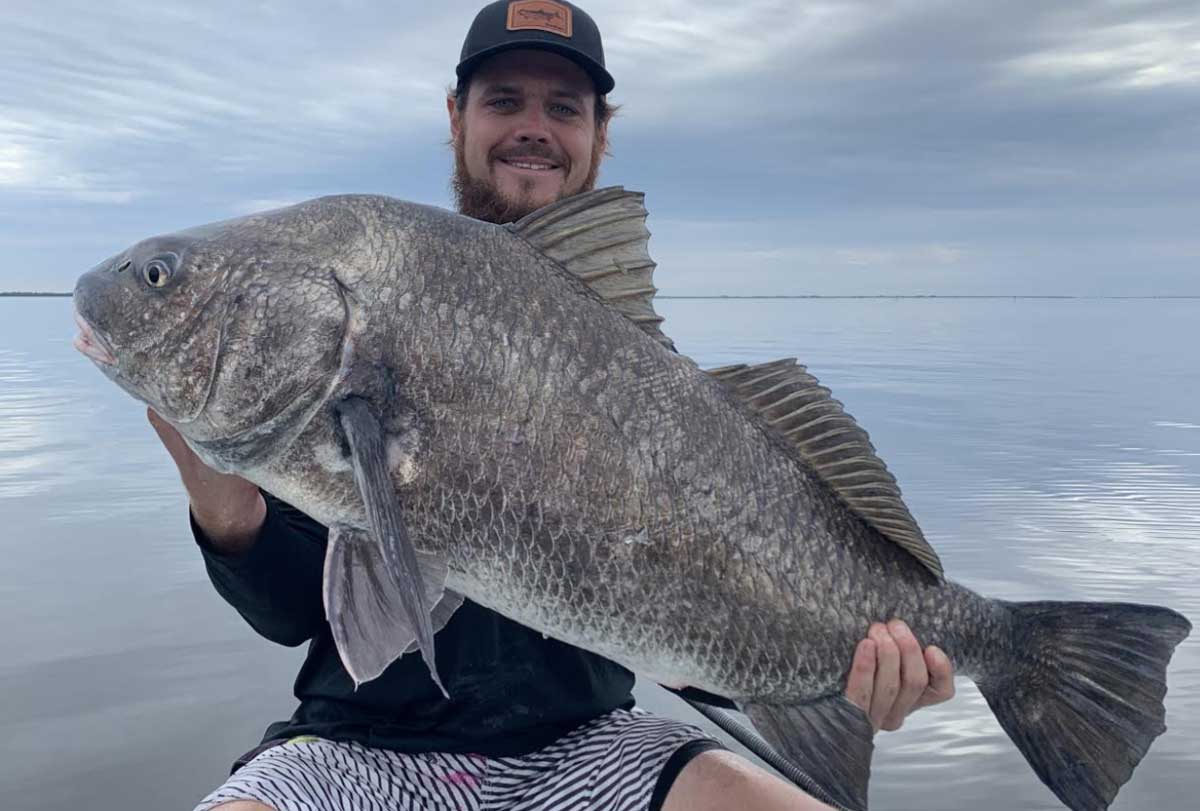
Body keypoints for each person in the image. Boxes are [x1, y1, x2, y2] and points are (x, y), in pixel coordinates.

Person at [158, 3, 955, 810]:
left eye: (564, 108)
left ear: (600, 134)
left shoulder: (659, 393)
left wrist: (850, 674)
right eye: (504, 100)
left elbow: (698, 651)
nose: (533, 127)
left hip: (593, 743)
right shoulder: (360, 336)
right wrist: (227, 510)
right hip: (356, 746)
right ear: (456, 118)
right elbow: (293, 612)